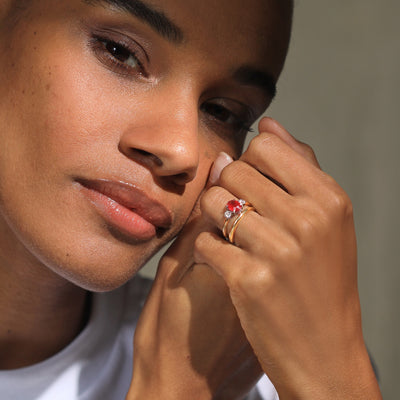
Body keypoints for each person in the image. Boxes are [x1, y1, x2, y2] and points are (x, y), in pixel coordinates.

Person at [0, 0, 382, 399]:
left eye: (223, 112)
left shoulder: (266, 378)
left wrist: (337, 372)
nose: (181, 150)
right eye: (121, 53)